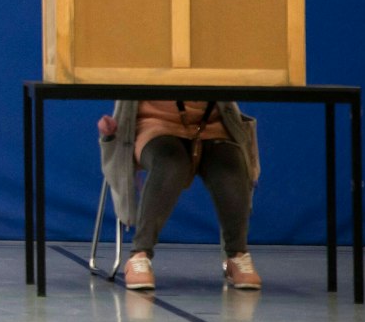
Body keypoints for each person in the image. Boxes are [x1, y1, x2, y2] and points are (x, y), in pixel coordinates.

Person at [99, 99, 260, 291]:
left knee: (231, 168)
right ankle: (139, 254)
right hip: (156, 124)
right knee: (170, 164)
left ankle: (237, 255)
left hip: (211, 125)